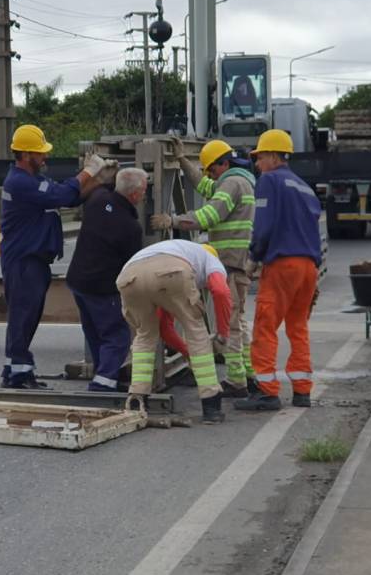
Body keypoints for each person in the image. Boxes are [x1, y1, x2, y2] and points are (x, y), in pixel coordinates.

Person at [0, 124, 109, 388]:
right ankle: (18, 374)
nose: (45, 156)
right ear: (26, 155)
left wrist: (99, 180)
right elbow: (60, 194)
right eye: (40, 153)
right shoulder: (20, 182)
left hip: (34, 260)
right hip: (24, 259)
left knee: (27, 316)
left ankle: (15, 371)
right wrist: (88, 171)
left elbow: (69, 198)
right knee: (23, 316)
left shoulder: (34, 180)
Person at [152, 138, 257, 397]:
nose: (209, 175)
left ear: (224, 164)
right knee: (239, 322)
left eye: (211, 169)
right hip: (238, 263)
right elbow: (204, 185)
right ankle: (248, 374)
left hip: (230, 264)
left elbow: (208, 216)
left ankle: (236, 382)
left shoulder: (231, 184)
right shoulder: (236, 181)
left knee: (231, 326)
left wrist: (172, 220)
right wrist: (183, 160)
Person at [236, 129, 323, 411]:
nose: (257, 163)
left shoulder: (269, 181)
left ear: (273, 156)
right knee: (298, 327)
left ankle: (267, 392)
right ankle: (302, 391)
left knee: (265, 326)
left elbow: (264, 225)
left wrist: (254, 257)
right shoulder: (304, 186)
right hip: (308, 267)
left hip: (283, 264)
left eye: (260, 157)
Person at [116, 240, 232, 424]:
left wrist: (186, 353)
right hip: (171, 273)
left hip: (128, 277)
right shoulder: (211, 260)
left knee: (145, 335)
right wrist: (223, 334)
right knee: (196, 331)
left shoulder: (180, 249)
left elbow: (165, 328)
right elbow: (221, 291)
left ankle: (138, 398)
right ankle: (211, 404)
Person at [65, 167, 148, 392]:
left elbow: (103, 186)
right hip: (102, 288)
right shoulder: (130, 227)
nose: (144, 195)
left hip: (78, 281)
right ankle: (103, 384)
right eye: (143, 191)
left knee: (94, 332)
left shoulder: (97, 200)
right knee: (116, 336)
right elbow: (132, 266)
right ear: (134, 195)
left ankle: (102, 375)